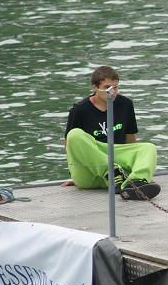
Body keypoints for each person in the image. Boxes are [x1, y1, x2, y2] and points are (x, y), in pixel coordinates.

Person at [63, 66, 159, 200]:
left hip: (120, 178)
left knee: (149, 148)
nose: (113, 92)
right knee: (74, 135)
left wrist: (141, 168)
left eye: (115, 87)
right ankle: (110, 171)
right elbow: (70, 145)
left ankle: (136, 183)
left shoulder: (125, 104)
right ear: (95, 87)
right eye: (108, 87)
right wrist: (75, 172)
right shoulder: (79, 110)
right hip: (91, 173)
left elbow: (130, 139)